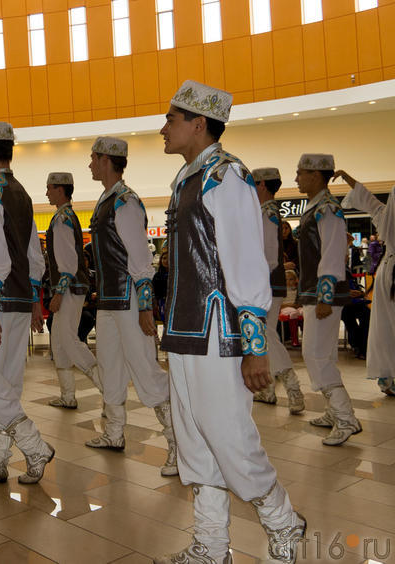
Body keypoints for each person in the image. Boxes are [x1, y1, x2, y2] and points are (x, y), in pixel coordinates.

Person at [154, 80, 304, 564]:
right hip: (184, 331)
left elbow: (245, 264)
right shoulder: (188, 179)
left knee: (230, 437)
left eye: (172, 119)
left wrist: (255, 344)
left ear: (199, 124)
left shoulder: (227, 177)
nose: (164, 128)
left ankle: (284, 522)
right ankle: (212, 545)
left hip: (218, 333)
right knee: (195, 439)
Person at [0, 121, 54, 485]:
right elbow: (36, 257)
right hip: (20, 298)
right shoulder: (22, 193)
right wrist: (34, 299)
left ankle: (35, 447)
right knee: (7, 382)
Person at [84, 137, 177, 477]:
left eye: (93, 158)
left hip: (128, 300)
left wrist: (145, 305)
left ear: (107, 160)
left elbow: (140, 257)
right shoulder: (107, 200)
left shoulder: (125, 202)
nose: (90, 164)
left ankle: (178, 445)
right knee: (109, 367)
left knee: (144, 369)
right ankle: (113, 433)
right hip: (109, 301)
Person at [294, 154, 362, 446]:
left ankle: (345, 417)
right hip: (314, 292)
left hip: (325, 294)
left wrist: (325, 296)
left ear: (317, 175)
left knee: (315, 354)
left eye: (301, 173)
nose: (296, 178)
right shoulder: (315, 207)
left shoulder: (328, 209)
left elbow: (333, 255)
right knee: (323, 354)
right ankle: (335, 411)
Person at [43, 171, 100, 410]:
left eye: (49, 187)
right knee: (58, 341)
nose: (46, 192)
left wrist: (58, 293)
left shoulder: (62, 219)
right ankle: (68, 395)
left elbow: (67, 263)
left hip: (69, 289)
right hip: (73, 288)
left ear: (59, 188)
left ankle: (107, 387)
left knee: (68, 339)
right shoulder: (66, 216)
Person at [250, 168, 305, 414]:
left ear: (262, 184)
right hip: (268, 283)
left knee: (266, 335)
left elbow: (269, 256)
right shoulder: (267, 212)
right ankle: (269, 389)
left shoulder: (267, 212)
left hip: (265, 284)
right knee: (266, 334)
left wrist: (255, 280)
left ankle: (292, 386)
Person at [337, 170, 395, 396]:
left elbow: (370, 201)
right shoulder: (386, 217)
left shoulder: (385, 217)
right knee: (386, 325)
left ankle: (387, 376)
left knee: (385, 326)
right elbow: (372, 201)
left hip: (387, 273)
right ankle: (388, 375)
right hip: (390, 275)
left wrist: (349, 179)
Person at [281, 269, 302, 347]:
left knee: (304, 312)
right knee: (293, 313)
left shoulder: (297, 291)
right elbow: (280, 305)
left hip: (296, 307)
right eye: (286, 279)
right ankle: (294, 339)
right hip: (286, 308)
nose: (288, 281)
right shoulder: (282, 291)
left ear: (296, 280)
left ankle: (307, 336)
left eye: (291, 279)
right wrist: (291, 305)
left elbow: (300, 303)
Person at [152, 248, 169, 322]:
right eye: (164, 258)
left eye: (169, 258)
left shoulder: (177, 275)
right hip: (162, 305)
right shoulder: (157, 276)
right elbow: (154, 293)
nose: (166, 261)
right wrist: (155, 306)